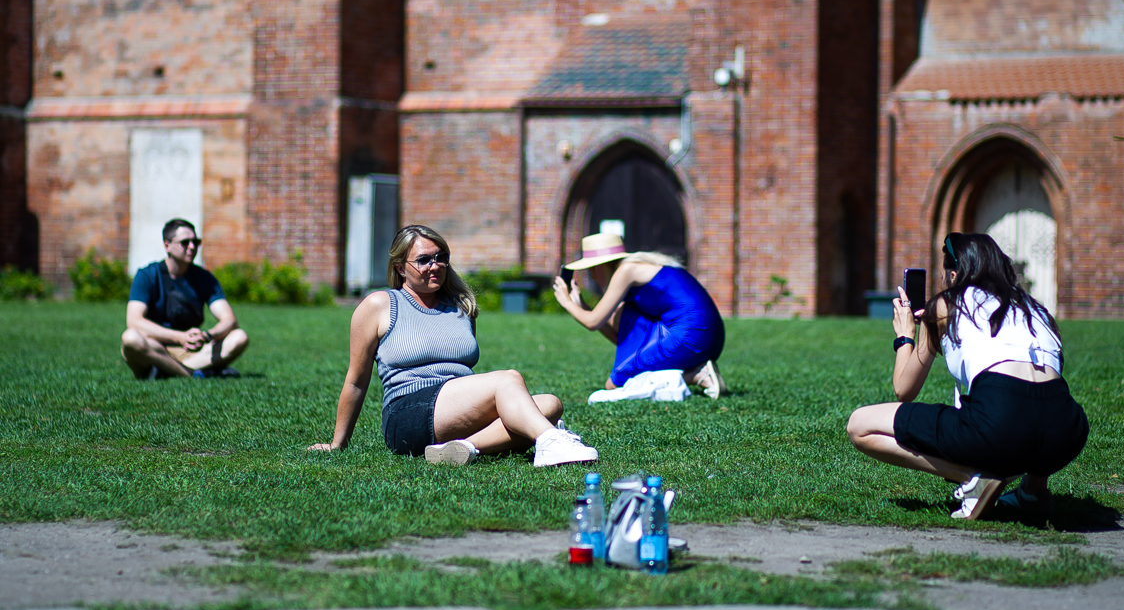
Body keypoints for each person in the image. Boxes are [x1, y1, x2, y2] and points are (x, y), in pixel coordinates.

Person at [308, 224, 598, 467]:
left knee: (550, 404)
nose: (435, 265)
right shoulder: (379, 305)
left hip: (454, 410)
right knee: (508, 380)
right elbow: (356, 382)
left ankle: (463, 449)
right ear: (400, 267)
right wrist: (338, 443)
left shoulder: (461, 307)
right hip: (408, 412)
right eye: (424, 260)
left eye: (440, 257)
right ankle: (550, 442)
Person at [846, 233, 1089, 520]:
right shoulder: (1035, 308)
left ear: (954, 273)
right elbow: (1040, 389)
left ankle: (974, 478)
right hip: (1067, 432)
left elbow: (904, 390)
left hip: (1000, 423)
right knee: (1035, 404)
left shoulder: (946, 304)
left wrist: (905, 336)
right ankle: (1034, 493)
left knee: (860, 425)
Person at [552, 232, 728, 398]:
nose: (592, 275)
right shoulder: (638, 269)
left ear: (602, 265)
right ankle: (698, 371)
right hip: (709, 335)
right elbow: (618, 333)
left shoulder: (626, 271)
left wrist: (566, 302)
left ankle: (695, 375)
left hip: (693, 335)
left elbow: (593, 322)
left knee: (615, 383)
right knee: (624, 313)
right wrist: (583, 306)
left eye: (592, 269)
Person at [121, 218, 250, 379]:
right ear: (167, 245)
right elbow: (134, 321)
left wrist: (206, 336)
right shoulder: (147, 275)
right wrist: (179, 337)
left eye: (195, 242)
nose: (192, 247)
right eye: (185, 242)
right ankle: (193, 374)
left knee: (239, 337)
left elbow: (229, 320)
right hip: (155, 347)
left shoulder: (204, 278)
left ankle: (165, 370)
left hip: (192, 351)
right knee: (131, 338)